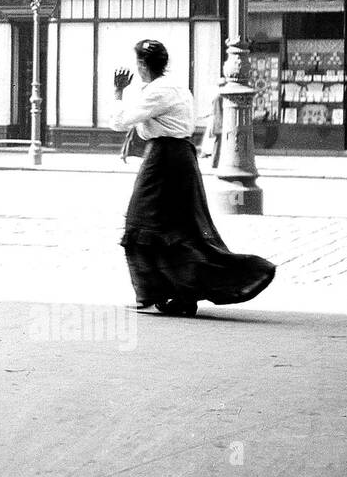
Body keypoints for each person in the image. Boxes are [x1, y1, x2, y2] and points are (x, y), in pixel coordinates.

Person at [112, 39, 275, 316]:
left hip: (161, 159)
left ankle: (151, 292)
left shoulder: (156, 92)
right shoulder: (174, 87)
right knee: (182, 228)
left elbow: (119, 121)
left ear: (141, 65)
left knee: (139, 224)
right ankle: (180, 294)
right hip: (182, 159)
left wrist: (118, 92)